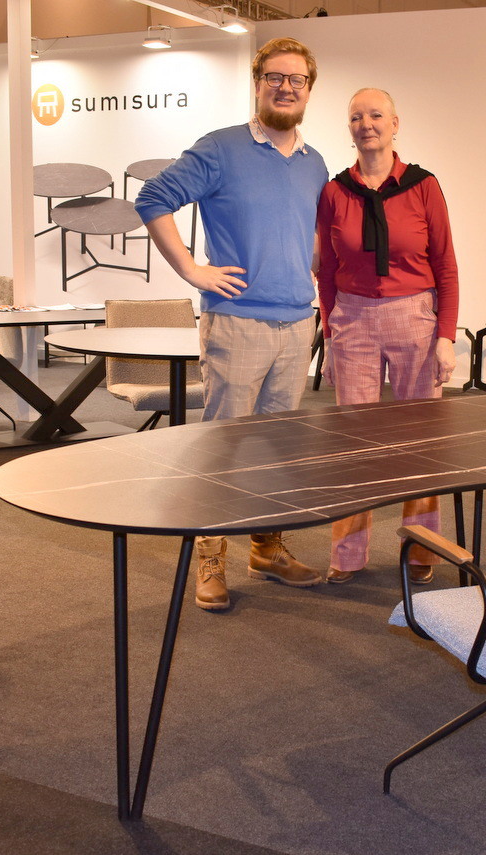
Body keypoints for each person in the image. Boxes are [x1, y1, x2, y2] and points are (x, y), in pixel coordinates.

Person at [134, 37, 328, 611]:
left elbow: (311, 233)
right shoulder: (220, 148)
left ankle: (265, 548)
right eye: (275, 77)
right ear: (258, 82)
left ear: (308, 89)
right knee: (223, 446)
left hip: (297, 324)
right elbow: (153, 198)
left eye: (296, 79)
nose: (285, 87)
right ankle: (210, 555)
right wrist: (192, 270)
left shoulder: (315, 163)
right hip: (238, 323)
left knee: (277, 449)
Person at [315, 87, 459, 584]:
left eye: (376, 115)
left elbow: (446, 264)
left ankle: (421, 548)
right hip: (352, 319)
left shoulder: (423, 186)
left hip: (414, 316)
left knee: (419, 441)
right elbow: (326, 271)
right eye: (357, 117)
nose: (366, 124)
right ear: (350, 128)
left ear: (395, 124)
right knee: (354, 443)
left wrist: (446, 335)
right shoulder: (335, 192)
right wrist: (329, 334)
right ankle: (348, 554)